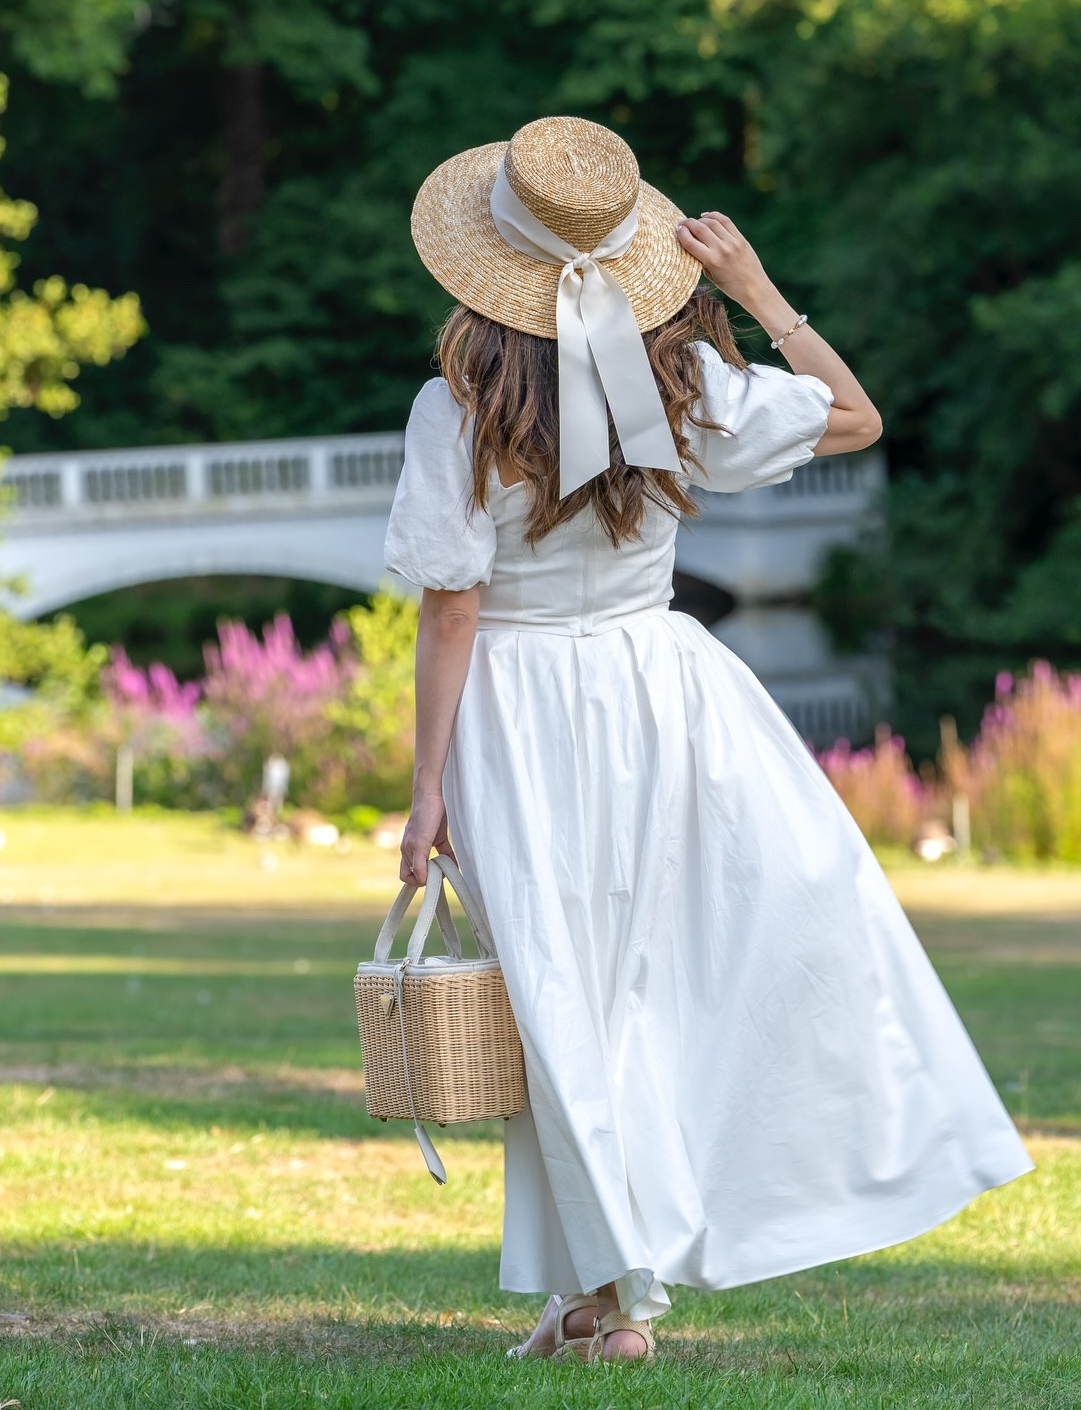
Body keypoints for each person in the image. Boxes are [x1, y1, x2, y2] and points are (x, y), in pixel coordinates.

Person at [382, 117, 1032, 1365]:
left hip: (520, 707)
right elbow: (854, 417)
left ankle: (608, 1300)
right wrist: (756, 289)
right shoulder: (683, 388)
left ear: (484, 268)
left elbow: (453, 604)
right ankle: (597, 1298)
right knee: (640, 984)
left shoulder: (455, 409)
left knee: (560, 990)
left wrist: (427, 785)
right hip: (662, 691)